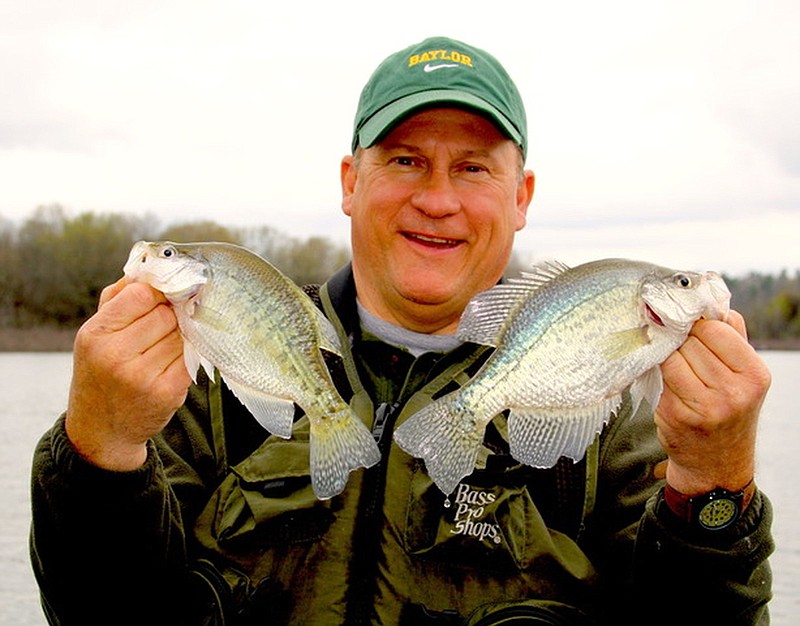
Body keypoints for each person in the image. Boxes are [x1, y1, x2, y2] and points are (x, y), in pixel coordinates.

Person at [30, 36, 774, 626]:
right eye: (407, 160)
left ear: (522, 196)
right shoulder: (205, 378)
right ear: (352, 182)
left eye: (474, 168)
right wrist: (99, 447)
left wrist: (716, 486)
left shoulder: (614, 424)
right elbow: (97, 612)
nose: (438, 199)